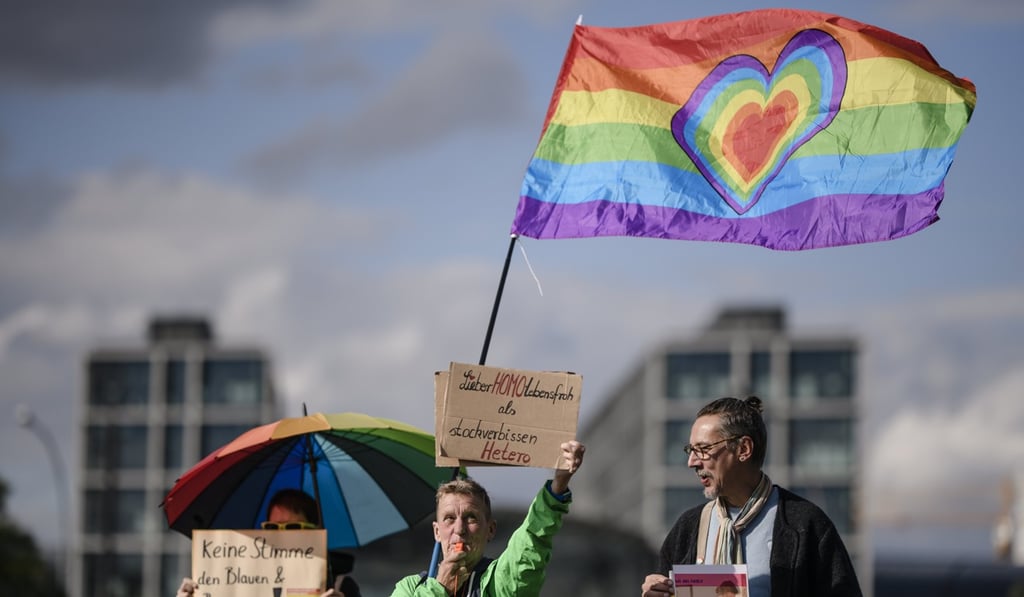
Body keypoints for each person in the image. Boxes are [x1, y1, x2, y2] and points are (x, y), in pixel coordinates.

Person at [641, 396, 861, 597]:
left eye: (703, 449)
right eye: (691, 450)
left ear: (744, 449)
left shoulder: (806, 524)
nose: (692, 462)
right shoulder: (687, 529)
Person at [390, 440, 586, 597]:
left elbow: (530, 544)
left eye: (471, 518)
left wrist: (558, 486)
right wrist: (440, 588)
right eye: (449, 518)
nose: (459, 529)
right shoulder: (409, 589)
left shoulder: (497, 583)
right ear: (436, 531)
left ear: (490, 529)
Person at [176, 488, 360, 597]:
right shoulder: (240, 583)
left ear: (314, 531)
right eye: (272, 527)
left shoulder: (340, 586)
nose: (281, 536)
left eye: (292, 527)